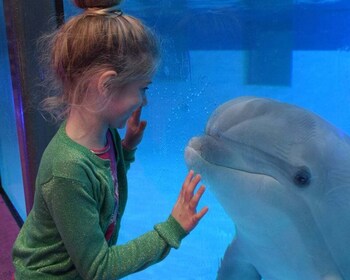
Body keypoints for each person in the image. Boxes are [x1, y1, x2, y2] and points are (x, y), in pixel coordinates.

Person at [11, 0, 208, 279]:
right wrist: (172, 229)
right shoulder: (67, 171)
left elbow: (104, 183)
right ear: (106, 85)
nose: (144, 100)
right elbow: (99, 268)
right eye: (142, 88)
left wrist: (126, 148)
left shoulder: (104, 135)